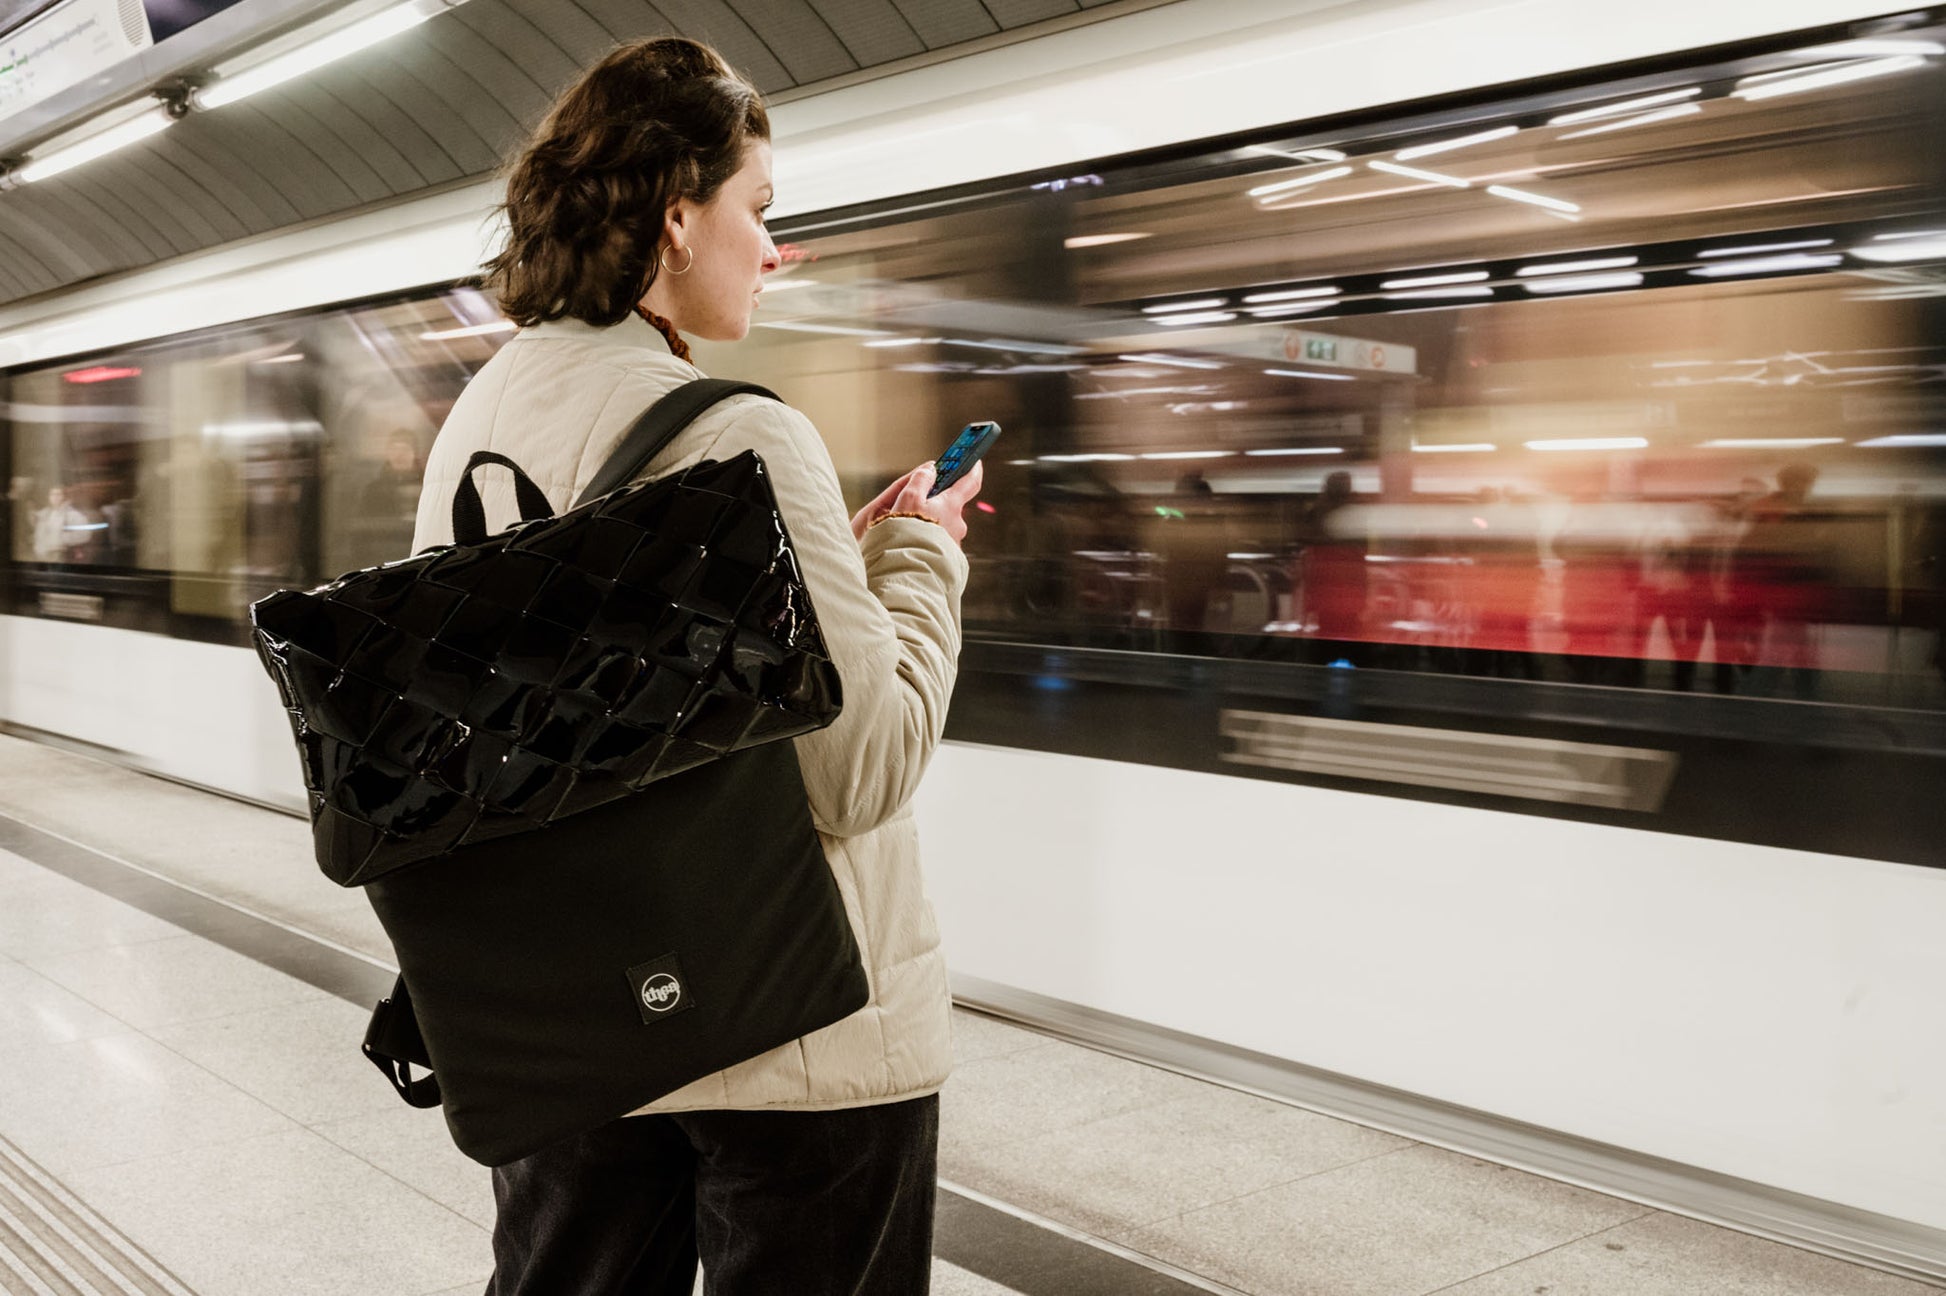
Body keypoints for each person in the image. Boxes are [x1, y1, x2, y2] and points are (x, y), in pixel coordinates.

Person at [409, 38, 982, 1295]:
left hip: (578, 1026)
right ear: (677, 219)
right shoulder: (739, 434)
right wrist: (921, 560)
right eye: (758, 211)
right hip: (798, 1035)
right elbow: (860, 771)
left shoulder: (478, 423)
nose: (773, 250)